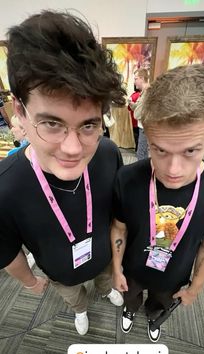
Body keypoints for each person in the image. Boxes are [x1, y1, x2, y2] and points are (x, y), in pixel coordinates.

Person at [0, 10, 126, 336]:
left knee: (103, 284)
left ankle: (103, 290)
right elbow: (7, 251)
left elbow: (115, 215)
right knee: (74, 299)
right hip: (59, 274)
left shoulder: (109, 153)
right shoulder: (4, 187)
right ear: (20, 113)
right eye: (52, 123)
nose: (72, 149)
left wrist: (116, 260)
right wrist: (28, 282)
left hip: (102, 260)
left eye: (88, 125)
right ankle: (81, 311)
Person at [111, 65, 204, 343]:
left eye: (190, 150)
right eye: (160, 149)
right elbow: (118, 229)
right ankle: (130, 311)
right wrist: (116, 268)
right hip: (132, 268)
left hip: (174, 275)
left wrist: (194, 289)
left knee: (160, 303)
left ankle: (154, 317)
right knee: (130, 298)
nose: (174, 169)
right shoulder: (127, 178)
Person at [133, 68, 150, 160]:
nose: (135, 82)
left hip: (144, 127)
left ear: (142, 78)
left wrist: (135, 108)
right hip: (143, 126)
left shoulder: (147, 92)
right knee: (143, 153)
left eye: (136, 79)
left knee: (141, 154)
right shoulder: (144, 92)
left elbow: (137, 114)